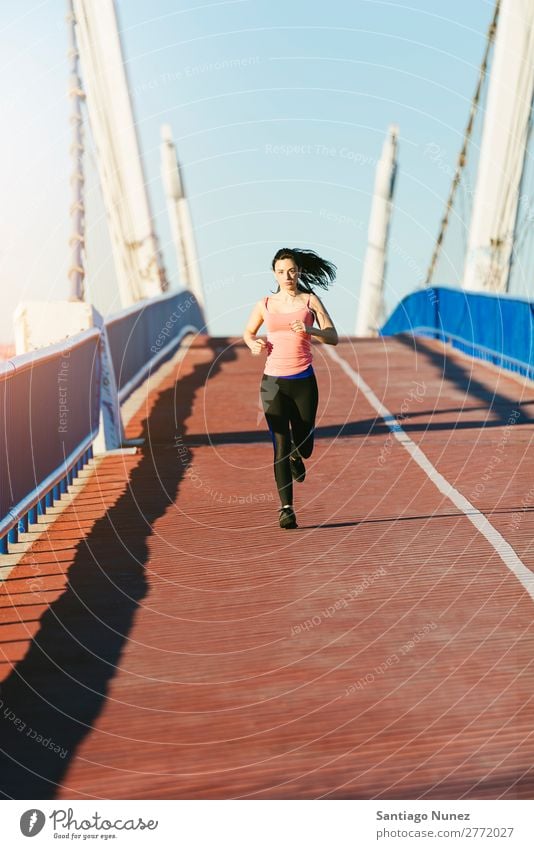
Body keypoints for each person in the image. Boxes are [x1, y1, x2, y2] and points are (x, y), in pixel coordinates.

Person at [243, 248, 339, 529]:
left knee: (304, 445)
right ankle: (286, 509)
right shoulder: (265, 304)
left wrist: (311, 331)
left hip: (303, 382)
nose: (287, 276)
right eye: (282, 271)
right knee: (280, 445)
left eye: (292, 271)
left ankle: (299, 455)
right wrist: (253, 344)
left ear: (299, 272)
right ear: (274, 274)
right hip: (272, 382)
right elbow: (248, 332)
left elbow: (333, 336)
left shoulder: (310, 301)